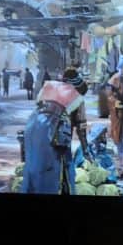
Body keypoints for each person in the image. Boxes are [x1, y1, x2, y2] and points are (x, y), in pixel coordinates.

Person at [21, 66, 91, 195]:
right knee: (56, 170)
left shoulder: (50, 87)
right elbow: (81, 128)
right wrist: (86, 151)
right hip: (53, 132)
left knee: (35, 167)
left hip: (33, 128)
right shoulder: (77, 97)